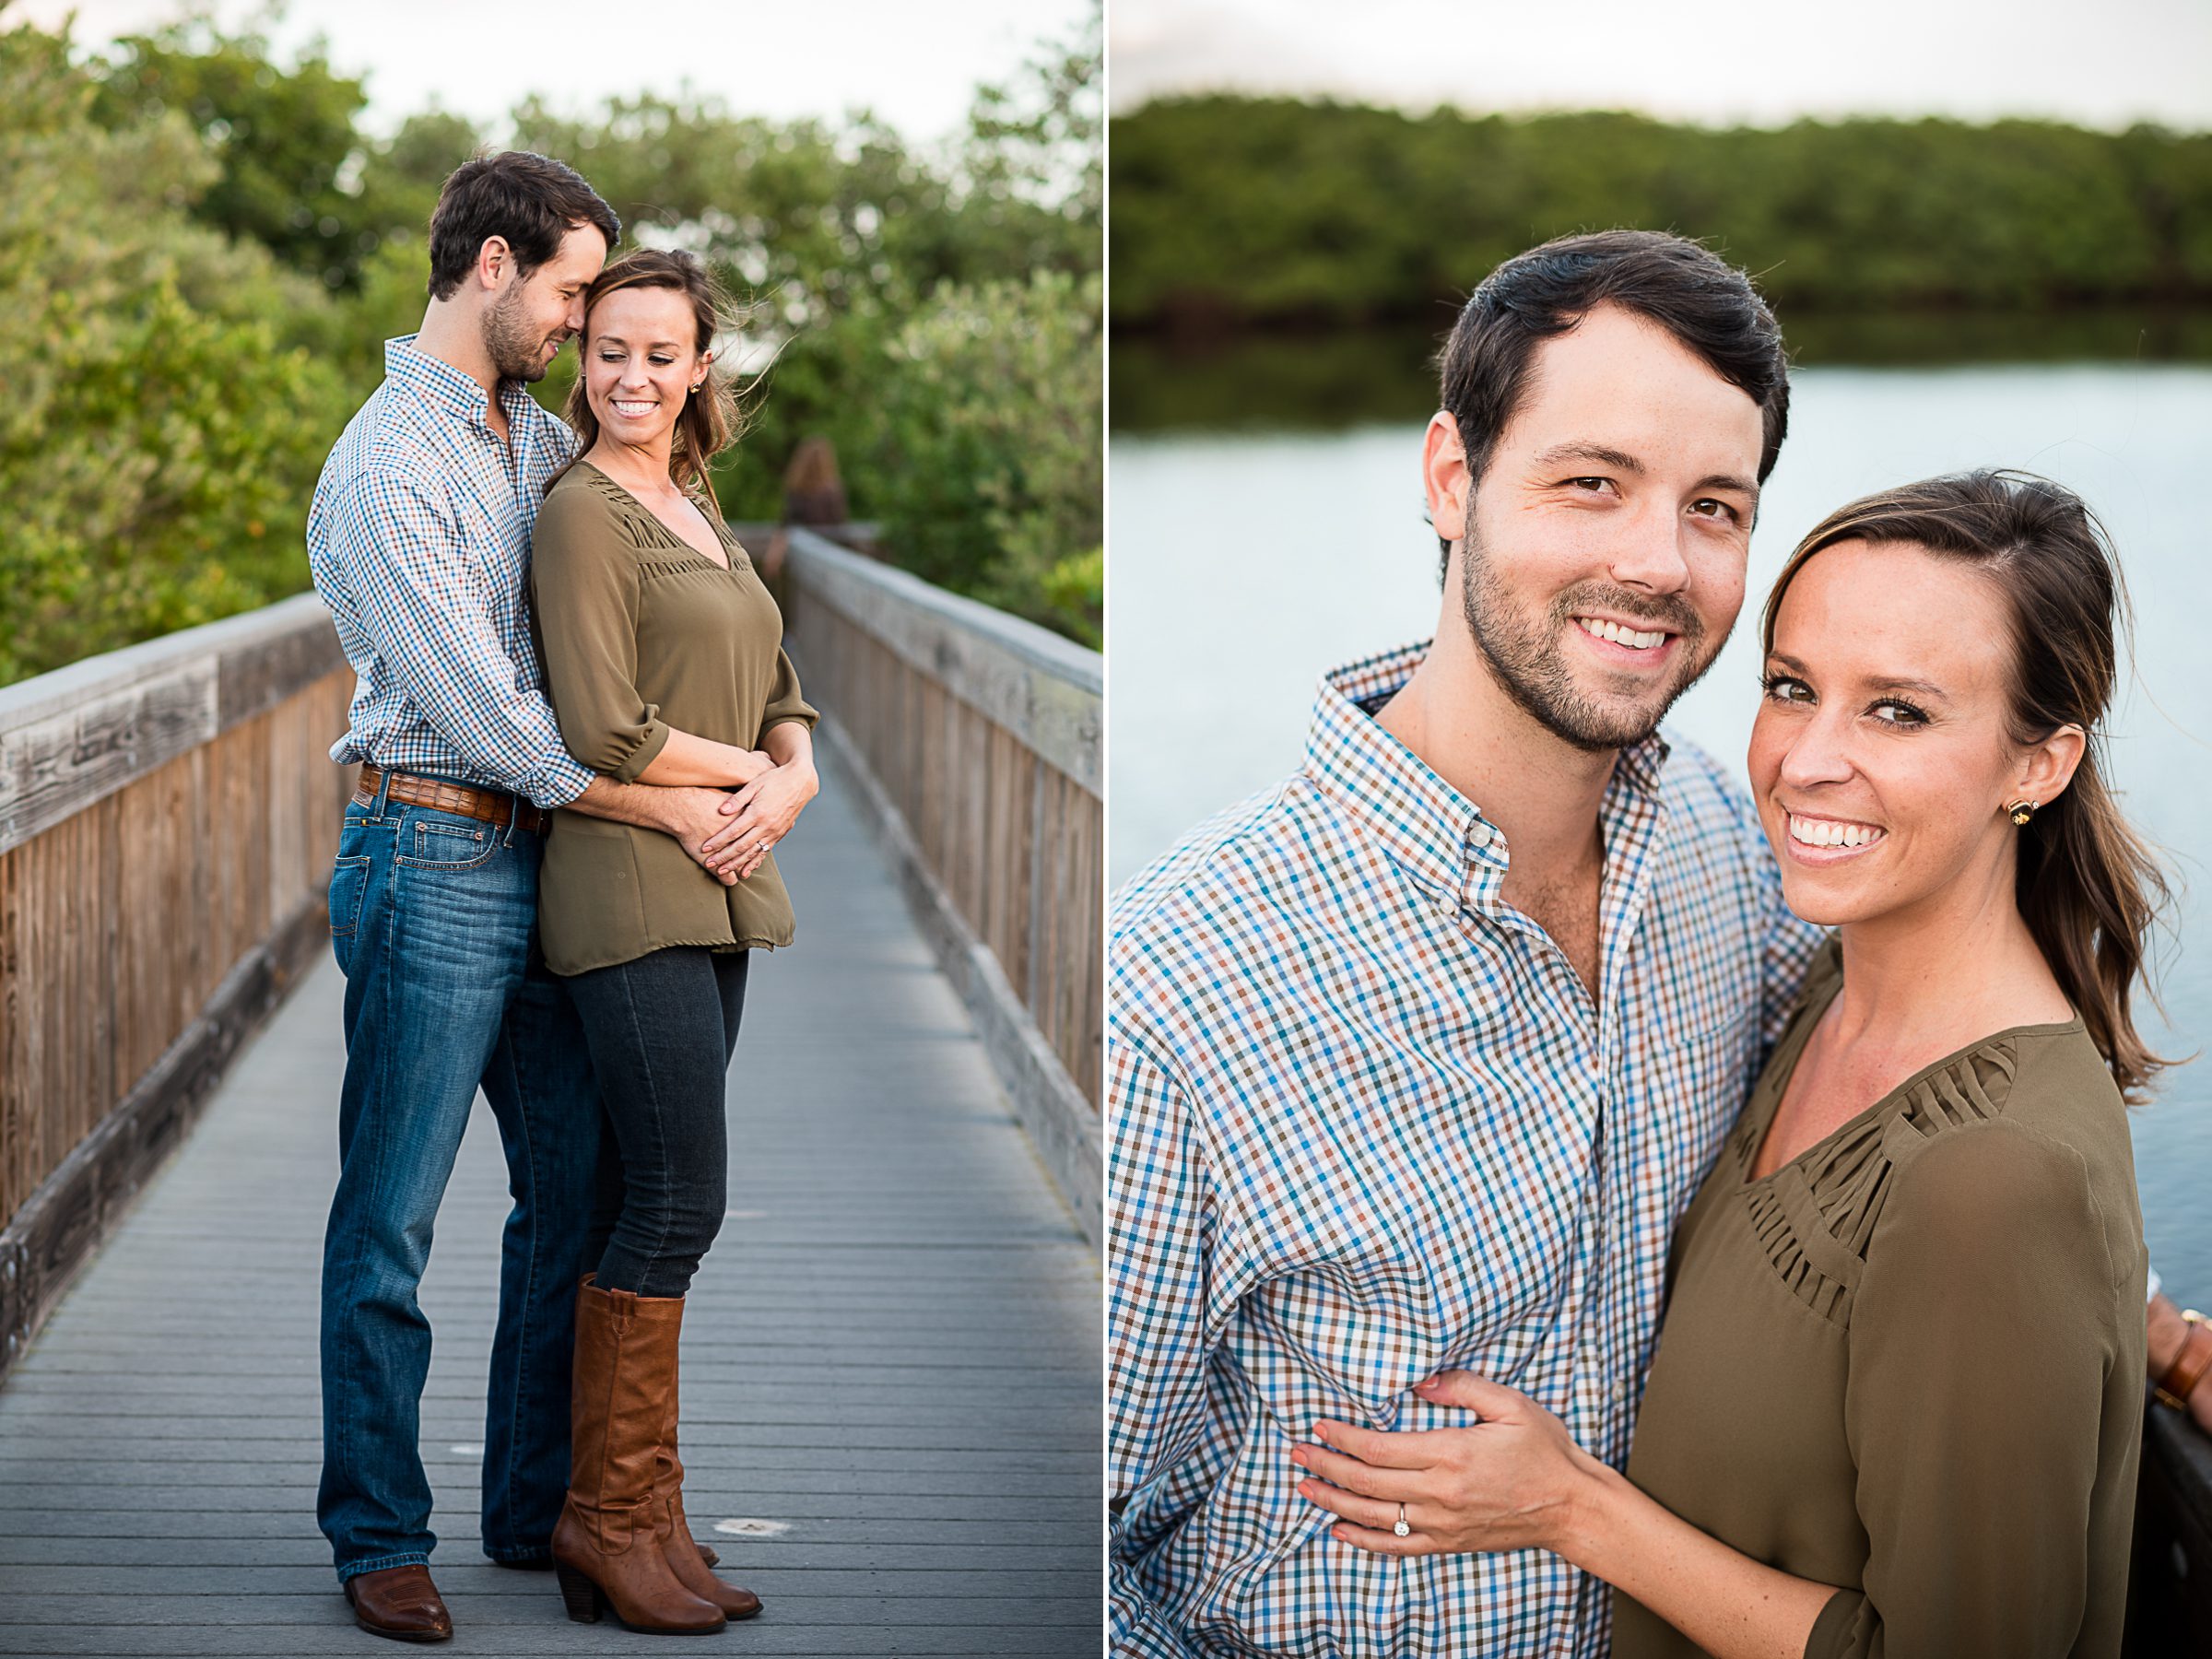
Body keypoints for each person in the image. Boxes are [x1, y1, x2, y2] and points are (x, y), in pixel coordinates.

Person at [1104, 230, 2201, 1658]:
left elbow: (1915, 1149)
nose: (1657, 563)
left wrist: (2154, 1332)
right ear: (1453, 476)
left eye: (1715, 507)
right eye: (1591, 484)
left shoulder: (1737, 861)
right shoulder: (1185, 979)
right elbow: (1086, 1545)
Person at [1296, 471, 2159, 1659]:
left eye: (1897, 712)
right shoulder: (1825, 995)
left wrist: (1569, 1507)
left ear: (2039, 766)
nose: (1807, 761)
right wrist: (2162, 1342)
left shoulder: (1994, 1183)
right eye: (1791, 688)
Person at [309, 154, 757, 1643]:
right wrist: (688, 803)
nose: (579, 323)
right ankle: (378, 1534)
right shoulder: (388, 463)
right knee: (393, 1217)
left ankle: (538, 1504)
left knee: (571, 1202)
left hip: (543, 864)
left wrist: (755, 772)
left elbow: (599, 645)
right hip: (430, 853)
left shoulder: (516, 442)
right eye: (570, 290)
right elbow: (503, 718)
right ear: (493, 267)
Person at [527, 248, 819, 1634]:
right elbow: (597, 728)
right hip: (630, 880)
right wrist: (742, 782)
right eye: (609, 351)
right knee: (672, 1202)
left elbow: (778, 680)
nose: (631, 377)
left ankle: (650, 1512)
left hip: (719, 884)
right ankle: (606, 1521)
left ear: (702, 367)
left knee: (663, 1202)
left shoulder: (695, 498)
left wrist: (796, 772)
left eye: (660, 355)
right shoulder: (581, 511)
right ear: (581, 361)